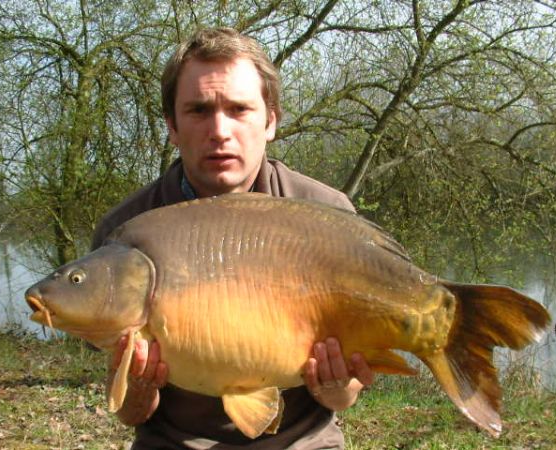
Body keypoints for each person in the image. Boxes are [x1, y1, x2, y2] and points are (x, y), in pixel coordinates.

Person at [91, 27, 374, 449]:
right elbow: (132, 414)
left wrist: (336, 386)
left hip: (301, 441)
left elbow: (344, 398)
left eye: (239, 109)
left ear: (270, 121)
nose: (220, 130)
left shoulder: (326, 214)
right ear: (172, 126)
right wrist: (140, 389)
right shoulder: (125, 234)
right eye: (199, 110)